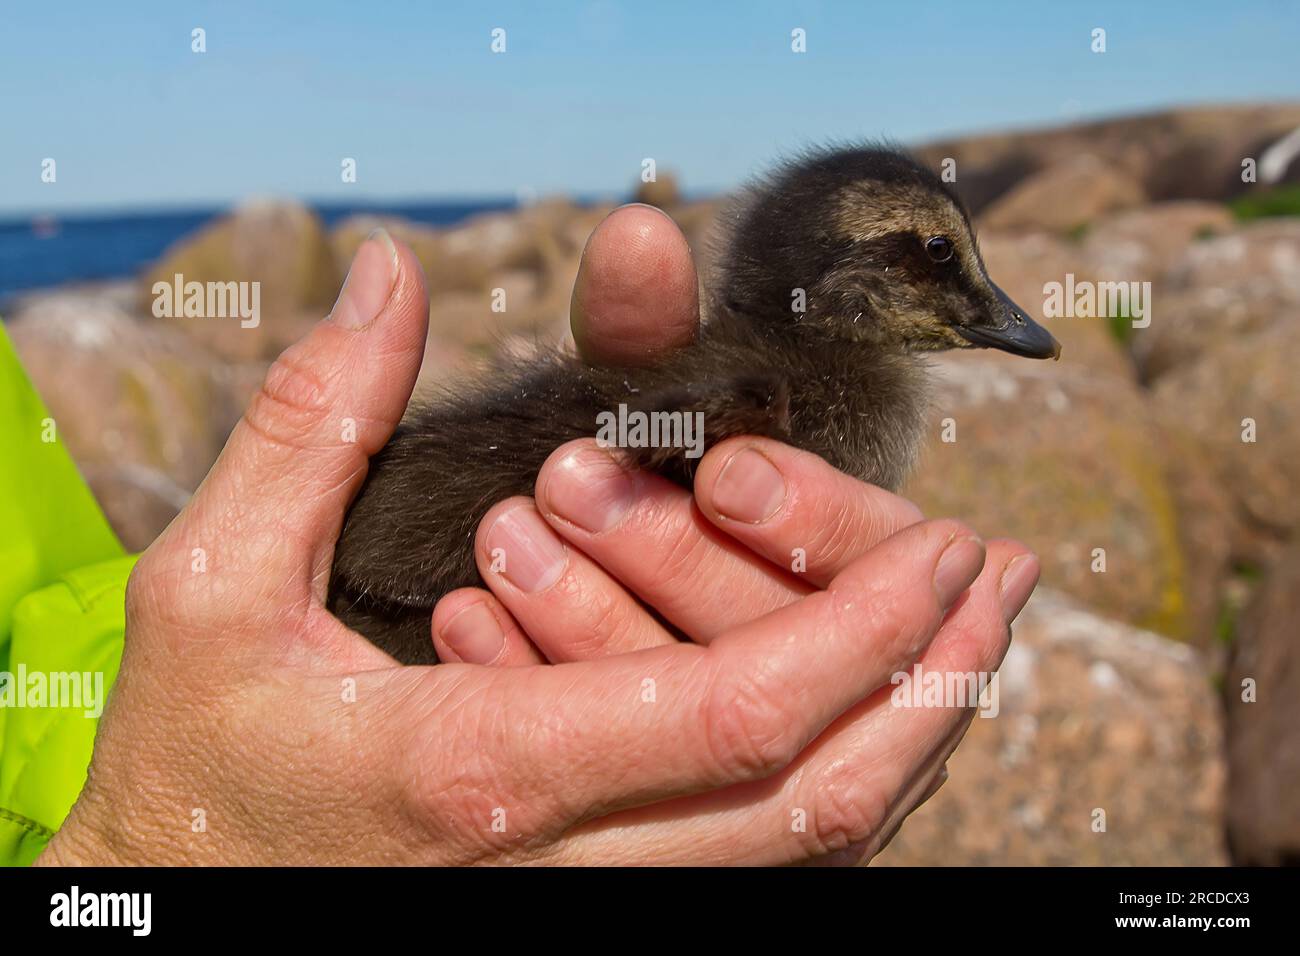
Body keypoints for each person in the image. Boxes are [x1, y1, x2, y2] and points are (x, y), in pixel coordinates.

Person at [5, 205, 1037, 866]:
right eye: (939, 258)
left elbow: (54, 640)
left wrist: (200, 710)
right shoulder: (764, 401)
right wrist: (141, 851)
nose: (982, 302)